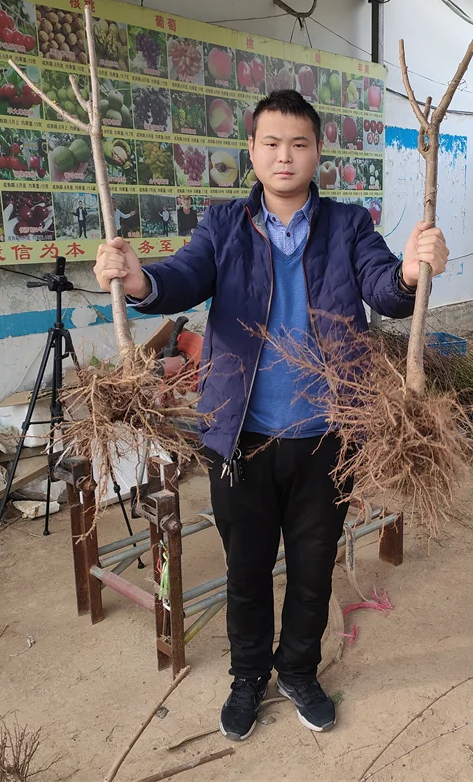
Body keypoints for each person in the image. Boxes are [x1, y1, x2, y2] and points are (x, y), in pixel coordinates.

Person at [94, 90, 448, 742]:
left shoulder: (347, 226)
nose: (285, 156)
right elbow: (182, 277)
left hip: (326, 437)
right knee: (247, 570)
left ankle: (300, 671)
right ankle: (248, 676)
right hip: (240, 436)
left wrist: (409, 270)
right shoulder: (224, 225)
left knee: (313, 568)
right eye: (271, 143)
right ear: (252, 152)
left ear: (318, 153)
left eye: (300, 143)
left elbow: (383, 290)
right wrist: (139, 281)